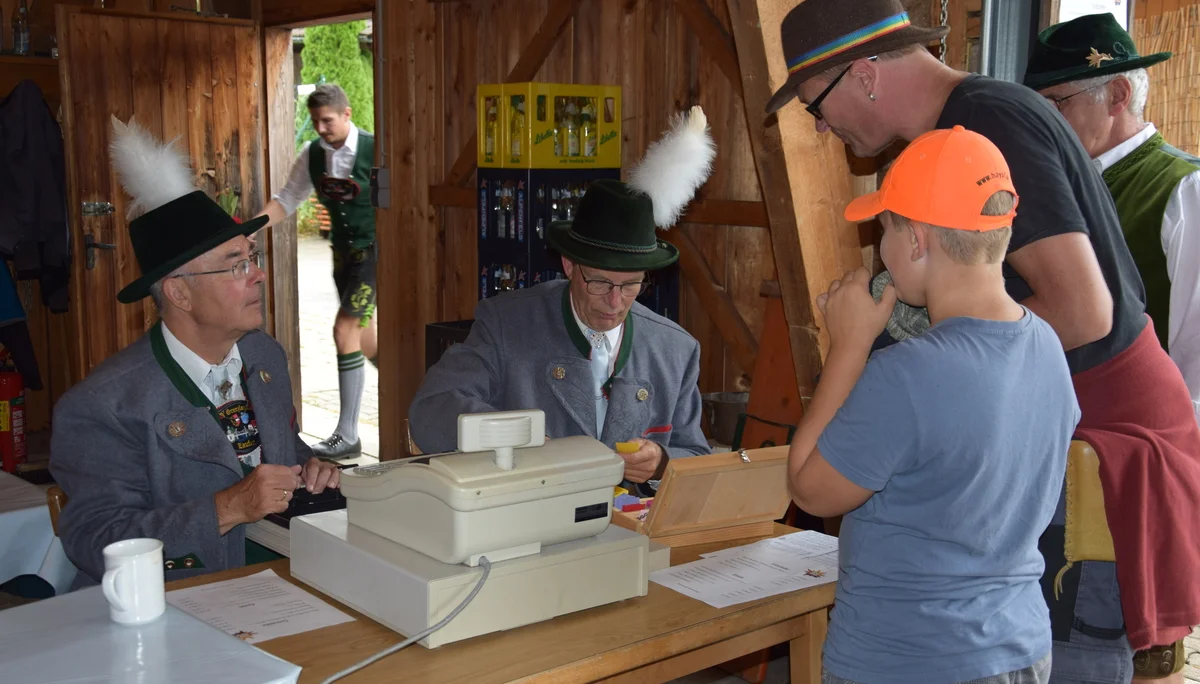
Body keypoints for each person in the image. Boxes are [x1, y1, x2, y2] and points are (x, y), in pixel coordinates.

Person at [766, 1, 1200, 681]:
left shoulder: (984, 124)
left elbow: (1083, 313)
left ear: (864, 75)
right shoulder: (970, 127)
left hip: (1105, 442)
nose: (821, 126)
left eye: (815, 103)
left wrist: (917, 348)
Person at [789, 125, 1074, 684]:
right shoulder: (1046, 345)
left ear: (916, 241)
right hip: (1018, 648)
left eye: (884, 230)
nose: (881, 249)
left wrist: (849, 346)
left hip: (912, 658)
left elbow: (809, 487)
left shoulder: (907, 374)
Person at [50, 117, 341, 584]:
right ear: (179, 295)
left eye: (253, 258)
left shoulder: (263, 355)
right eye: (236, 265)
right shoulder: (103, 405)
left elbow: (274, 450)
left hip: (286, 573)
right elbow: (95, 539)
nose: (258, 275)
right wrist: (227, 509)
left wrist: (310, 467)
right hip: (173, 599)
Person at [409, 107, 717, 495]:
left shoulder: (675, 349)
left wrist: (661, 462)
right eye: (600, 282)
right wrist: (524, 442)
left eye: (632, 285)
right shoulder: (509, 324)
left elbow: (699, 457)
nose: (615, 302)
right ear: (569, 265)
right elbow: (432, 408)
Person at [1025, 13, 1200, 428]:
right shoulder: (1052, 186)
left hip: (1149, 445)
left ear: (1118, 95)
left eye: (1055, 103)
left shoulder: (1185, 189)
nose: (1041, 123)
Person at [256, 84, 376, 459]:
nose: (321, 128)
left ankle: (347, 434)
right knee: (369, 344)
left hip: (377, 254)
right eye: (315, 122)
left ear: (347, 114)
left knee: (344, 330)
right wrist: (247, 228)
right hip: (343, 257)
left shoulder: (376, 150)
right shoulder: (313, 155)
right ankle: (414, 398)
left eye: (327, 120)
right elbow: (287, 199)